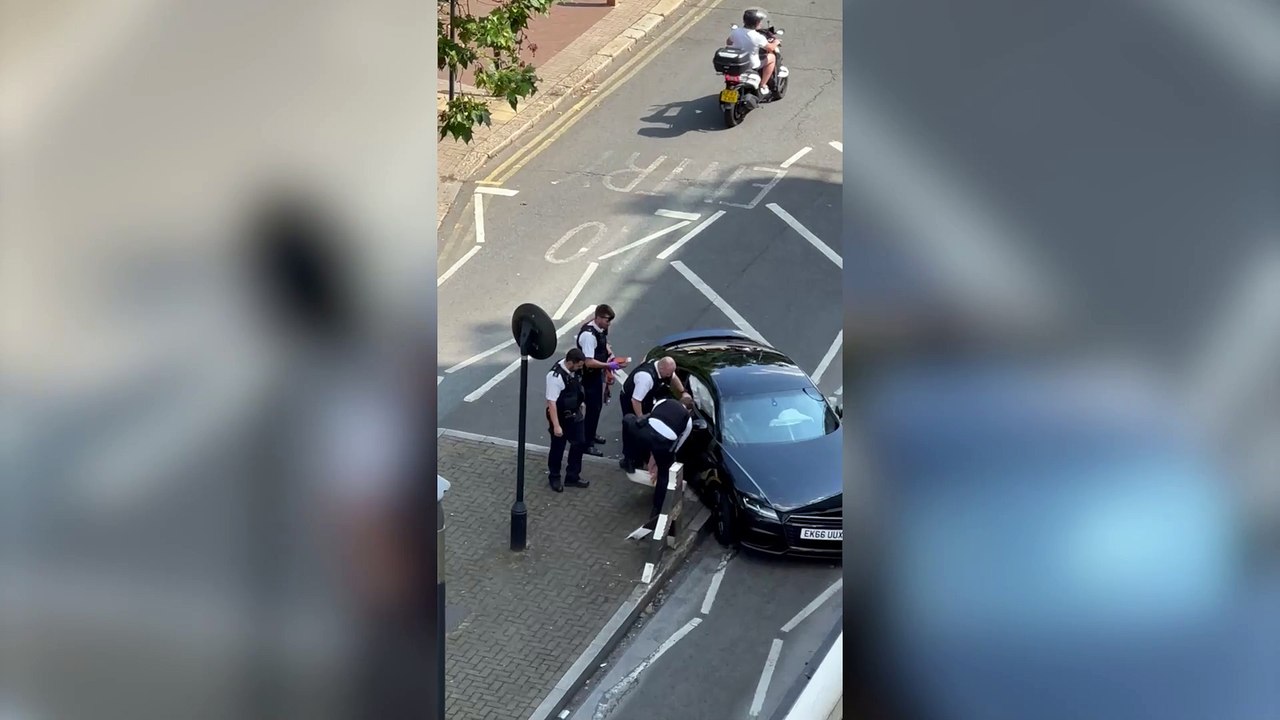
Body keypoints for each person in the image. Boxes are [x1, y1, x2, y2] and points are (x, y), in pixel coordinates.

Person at [633, 395, 696, 533]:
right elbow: (677, 444)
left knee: (632, 426)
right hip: (664, 441)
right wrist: (662, 460)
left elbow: (653, 418)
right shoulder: (688, 420)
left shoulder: (664, 401)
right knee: (664, 474)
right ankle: (657, 508)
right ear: (690, 411)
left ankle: (631, 462)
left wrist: (651, 457)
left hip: (646, 433)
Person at [618, 356, 689, 473]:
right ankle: (629, 460)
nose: (669, 376)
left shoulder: (664, 368)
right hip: (632, 400)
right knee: (631, 429)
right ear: (661, 368)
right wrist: (641, 419)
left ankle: (641, 457)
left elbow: (673, 377)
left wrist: (683, 392)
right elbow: (635, 401)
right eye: (668, 373)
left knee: (643, 432)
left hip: (644, 398)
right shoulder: (646, 378)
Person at [575, 304, 625, 457]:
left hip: (596, 375)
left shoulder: (598, 330)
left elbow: (603, 344)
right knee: (592, 408)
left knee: (596, 408)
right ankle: (586, 443)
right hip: (589, 378)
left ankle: (591, 434)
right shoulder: (589, 336)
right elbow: (589, 361)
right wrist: (608, 365)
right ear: (598, 318)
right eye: (607, 320)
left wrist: (609, 353)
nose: (609, 323)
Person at [546, 348, 590, 492]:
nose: (580, 368)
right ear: (570, 362)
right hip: (560, 416)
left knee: (580, 443)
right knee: (558, 448)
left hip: (574, 413)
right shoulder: (555, 377)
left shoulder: (572, 370)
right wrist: (556, 426)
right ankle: (554, 477)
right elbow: (551, 403)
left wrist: (580, 403)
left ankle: (572, 476)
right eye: (578, 365)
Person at [727, 8, 779, 97]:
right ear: (756, 23)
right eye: (760, 21)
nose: (761, 23)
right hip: (751, 64)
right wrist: (776, 42)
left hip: (736, 62)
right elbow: (770, 48)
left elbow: (728, 42)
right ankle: (763, 84)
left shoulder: (735, 31)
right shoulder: (757, 37)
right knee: (772, 57)